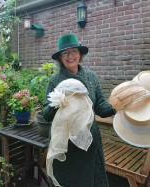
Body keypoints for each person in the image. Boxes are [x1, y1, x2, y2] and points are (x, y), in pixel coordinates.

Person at [42, 33, 116, 187]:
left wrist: (117, 106)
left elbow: (101, 107)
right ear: (60, 58)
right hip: (65, 145)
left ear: (80, 53)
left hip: (89, 142)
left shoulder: (91, 77)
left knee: (91, 181)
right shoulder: (55, 80)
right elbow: (46, 115)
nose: (70, 56)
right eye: (65, 53)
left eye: (74, 51)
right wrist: (57, 103)